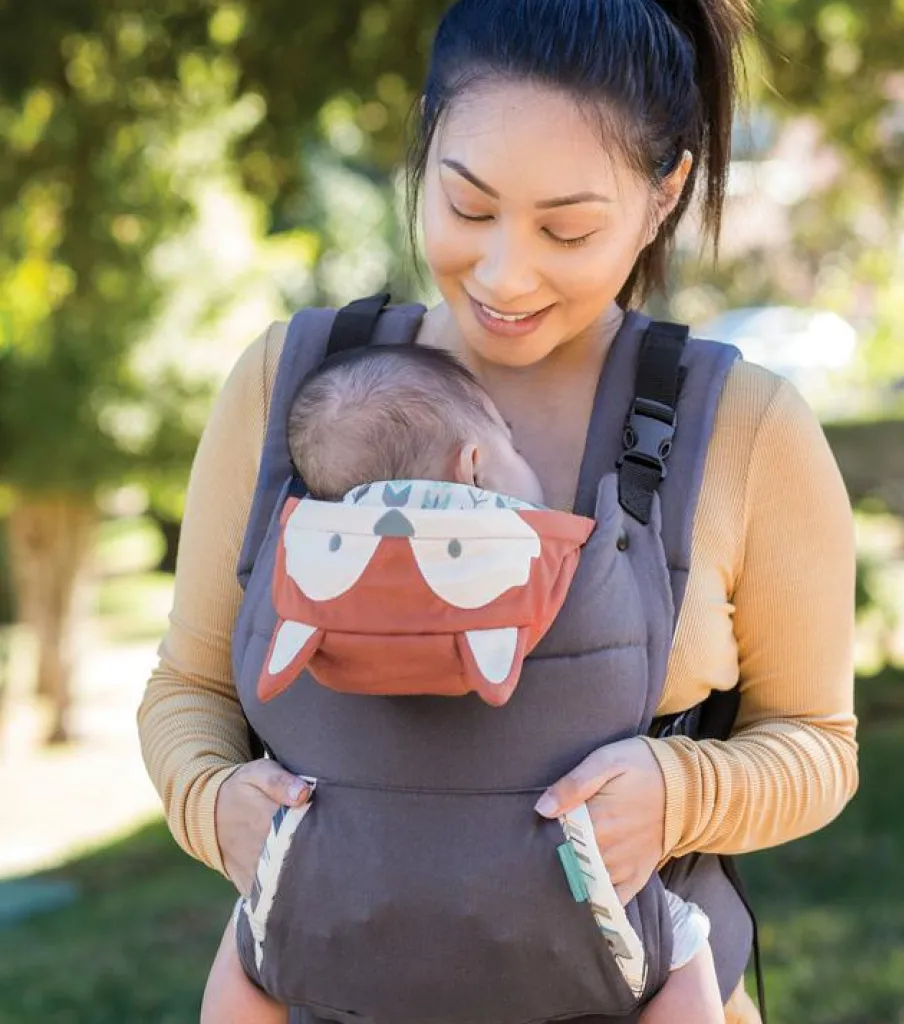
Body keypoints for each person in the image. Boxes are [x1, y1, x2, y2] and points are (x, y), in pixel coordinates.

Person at [137, 1, 859, 1021]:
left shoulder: (745, 427)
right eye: (468, 206)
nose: (503, 273)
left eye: (567, 229)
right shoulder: (291, 387)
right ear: (427, 141)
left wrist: (682, 793)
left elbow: (818, 744)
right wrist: (214, 805)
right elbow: (188, 688)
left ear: (665, 195)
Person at [200, 343, 726, 1023]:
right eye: (512, 448)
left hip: (325, 898)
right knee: (686, 943)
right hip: (563, 912)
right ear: (474, 465)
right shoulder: (552, 555)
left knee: (247, 947)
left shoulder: (302, 568)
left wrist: (213, 803)